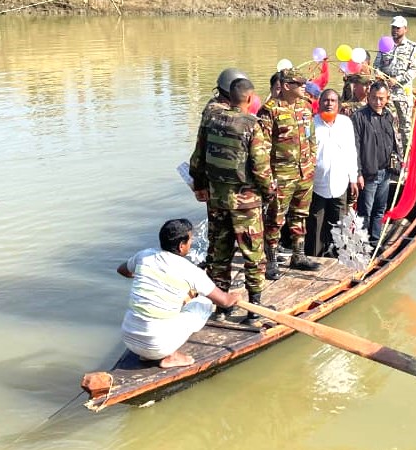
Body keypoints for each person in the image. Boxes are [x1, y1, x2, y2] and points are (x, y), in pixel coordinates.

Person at [189, 78, 276, 325]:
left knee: (219, 253)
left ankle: (221, 309)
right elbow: (260, 167)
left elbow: (197, 160)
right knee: (253, 255)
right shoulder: (251, 125)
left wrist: (201, 186)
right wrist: (269, 193)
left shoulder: (212, 119)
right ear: (249, 99)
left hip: (217, 200)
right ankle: (254, 309)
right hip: (246, 203)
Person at [118, 218, 240, 368]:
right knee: (205, 302)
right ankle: (171, 356)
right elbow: (224, 301)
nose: (191, 244)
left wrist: (146, 276)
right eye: (190, 240)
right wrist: (235, 297)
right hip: (158, 345)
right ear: (181, 245)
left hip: (128, 338)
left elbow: (123, 270)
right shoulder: (190, 270)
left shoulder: (144, 256)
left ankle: (146, 355)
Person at [258, 68, 320, 278]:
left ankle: (298, 255)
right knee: (275, 218)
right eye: (299, 84)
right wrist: (267, 178)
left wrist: (312, 160)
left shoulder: (305, 107)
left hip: (305, 172)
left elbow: (312, 138)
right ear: (286, 86)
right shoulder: (270, 110)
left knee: (301, 214)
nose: (304, 87)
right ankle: (271, 260)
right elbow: (262, 148)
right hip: (281, 174)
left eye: (304, 84)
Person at [305, 89, 359, 257]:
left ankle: (339, 259)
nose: (329, 103)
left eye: (333, 100)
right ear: (319, 104)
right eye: (326, 100)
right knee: (315, 224)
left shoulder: (345, 123)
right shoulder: (311, 123)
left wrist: (353, 178)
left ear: (339, 105)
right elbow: (306, 152)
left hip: (339, 183)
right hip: (317, 184)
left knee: (340, 224)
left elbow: (351, 151)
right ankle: (314, 258)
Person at [353, 81, 398, 246]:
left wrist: (398, 160)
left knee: (380, 209)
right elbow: (355, 147)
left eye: (381, 98)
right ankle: (361, 244)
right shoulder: (359, 116)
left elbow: (392, 141)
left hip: (385, 172)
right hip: (368, 173)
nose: (377, 102)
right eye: (373, 98)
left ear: (387, 98)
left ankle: (375, 241)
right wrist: (358, 173)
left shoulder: (388, 116)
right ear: (368, 97)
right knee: (365, 211)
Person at [373, 15, 416, 157]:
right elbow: (376, 65)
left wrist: (397, 79)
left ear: (405, 29)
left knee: (405, 126)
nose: (395, 30)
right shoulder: (385, 44)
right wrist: (379, 75)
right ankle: (390, 155)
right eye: (393, 27)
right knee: (386, 125)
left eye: (398, 28)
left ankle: (408, 157)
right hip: (386, 94)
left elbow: (414, 69)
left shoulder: (412, 47)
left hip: (403, 94)